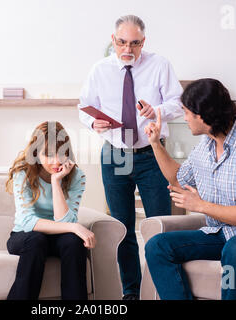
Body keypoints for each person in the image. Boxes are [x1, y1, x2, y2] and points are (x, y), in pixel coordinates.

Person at [144, 78, 236, 300]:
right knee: (158, 246)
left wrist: (200, 205)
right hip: (220, 233)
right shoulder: (205, 147)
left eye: (186, 112)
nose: (184, 118)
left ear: (202, 114)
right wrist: (155, 143)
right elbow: (178, 179)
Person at [78, 14, 183, 300]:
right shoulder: (99, 70)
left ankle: (162, 289)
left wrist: (157, 111)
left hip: (152, 154)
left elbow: (178, 102)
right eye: (122, 42)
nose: (128, 49)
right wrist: (93, 124)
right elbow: (84, 107)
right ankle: (131, 293)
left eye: (134, 43)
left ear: (143, 42)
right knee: (123, 228)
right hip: (116, 155)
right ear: (113, 40)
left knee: (160, 225)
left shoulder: (159, 65)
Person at [5, 121, 95, 300]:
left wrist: (56, 182)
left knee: (73, 242)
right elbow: (28, 222)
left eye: (62, 154)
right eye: (49, 155)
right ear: (36, 153)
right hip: (25, 235)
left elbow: (65, 223)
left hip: (58, 237)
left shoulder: (77, 176)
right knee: (37, 239)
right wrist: (75, 228)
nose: (57, 161)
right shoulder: (23, 173)